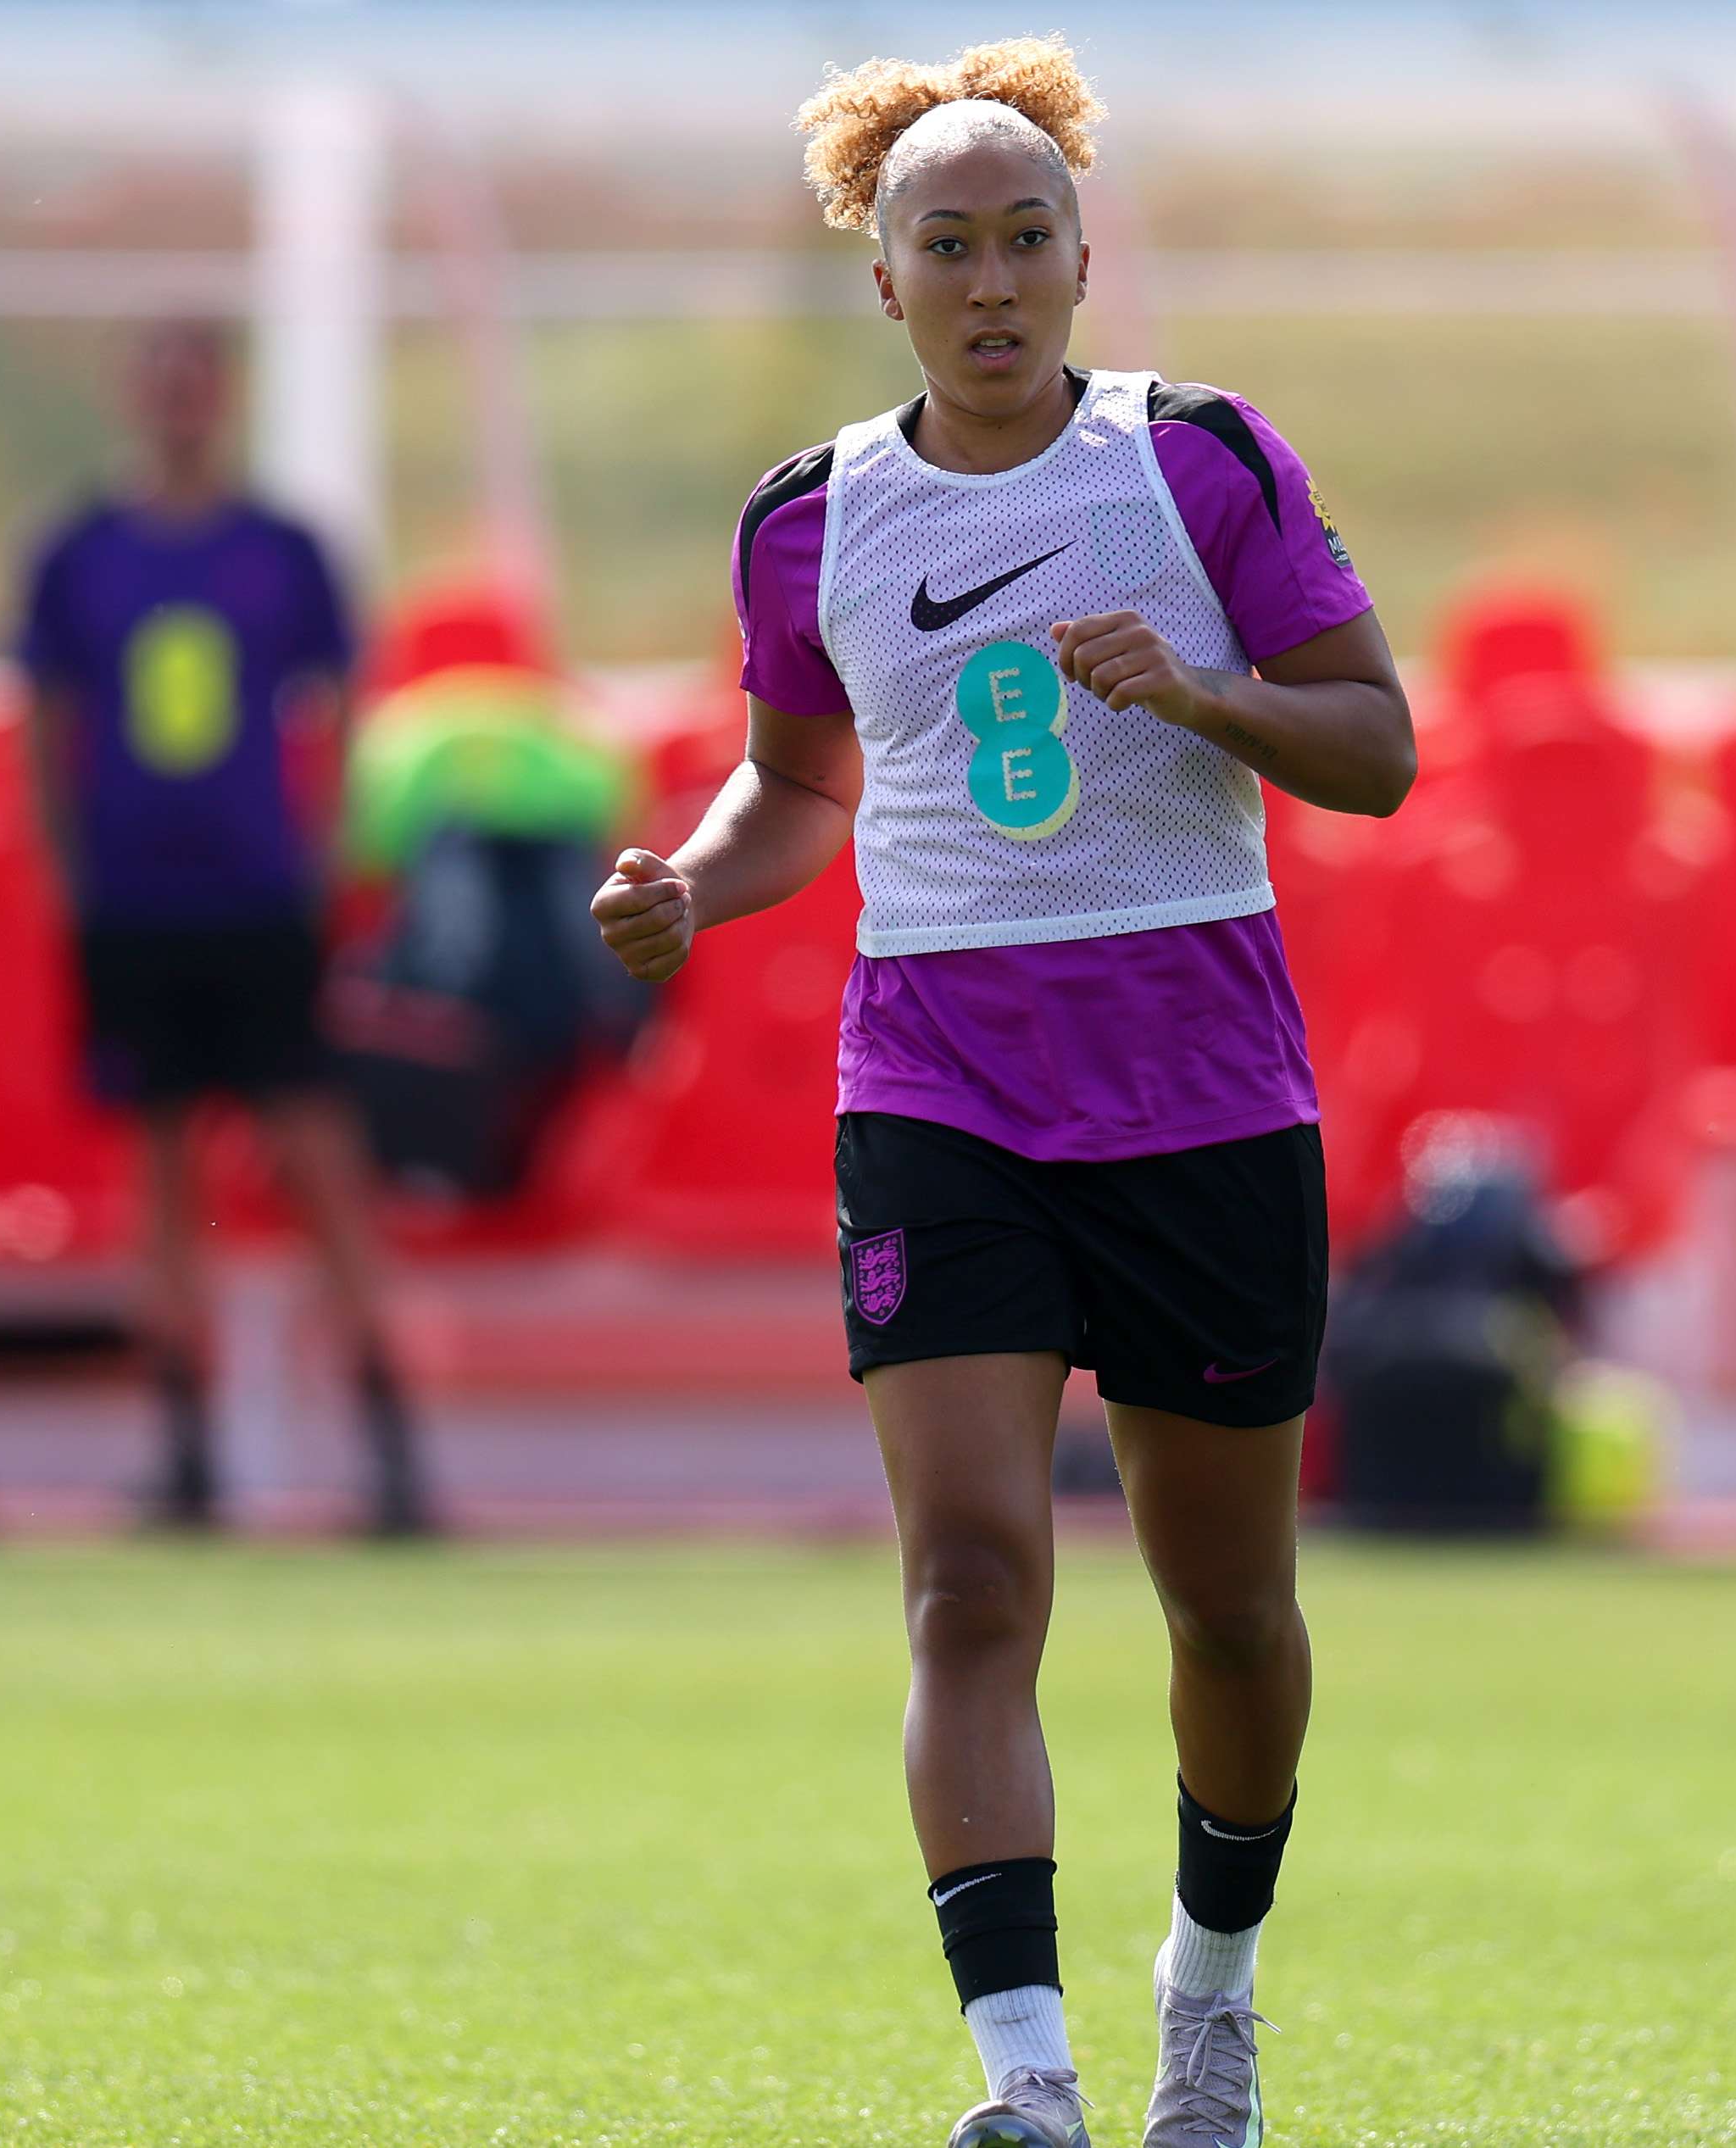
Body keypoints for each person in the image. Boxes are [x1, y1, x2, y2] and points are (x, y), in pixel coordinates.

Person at [591, 39, 1411, 2148]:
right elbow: (797, 791)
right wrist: (692, 880)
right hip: (938, 1080)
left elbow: (1376, 745)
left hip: (1202, 1089)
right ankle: (1027, 2082)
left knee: (1227, 1608)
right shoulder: (810, 519)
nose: (989, 280)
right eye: (942, 245)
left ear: (1076, 254)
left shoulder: (1200, 460)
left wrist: (1211, 689)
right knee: (968, 1577)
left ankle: (1205, 2000)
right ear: (883, 282)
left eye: (1023, 237)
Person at [14, 320, 430, 1538]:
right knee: (158, 1169)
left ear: (222, 396)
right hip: (135, 903)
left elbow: (342, 696)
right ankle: (184, 1442)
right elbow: (44, 716)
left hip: (256, 902)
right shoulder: (79, 551)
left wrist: (320, 846)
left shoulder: (281, 551)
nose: (179, 403)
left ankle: (390, 1439)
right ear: (132, 394)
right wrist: (68, 865)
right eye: (161, 380)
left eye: (198, 381)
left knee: (313, 1156)